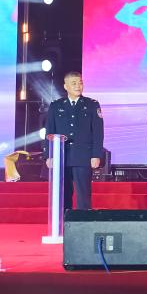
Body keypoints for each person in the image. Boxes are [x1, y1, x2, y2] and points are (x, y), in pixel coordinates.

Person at [44, 71, 104, 211]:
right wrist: (49, 155)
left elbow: (98, 132)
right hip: (62, 156)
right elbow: (49, 132)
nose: (78, 86)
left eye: (80, 83)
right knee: (63, 193)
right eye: (74, 83)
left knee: (83, 195)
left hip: (83, 156)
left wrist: (96, 155)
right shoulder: (56, 105)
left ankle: (83, 221)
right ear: (66, 86)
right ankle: (64, 220)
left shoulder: (92, 104)